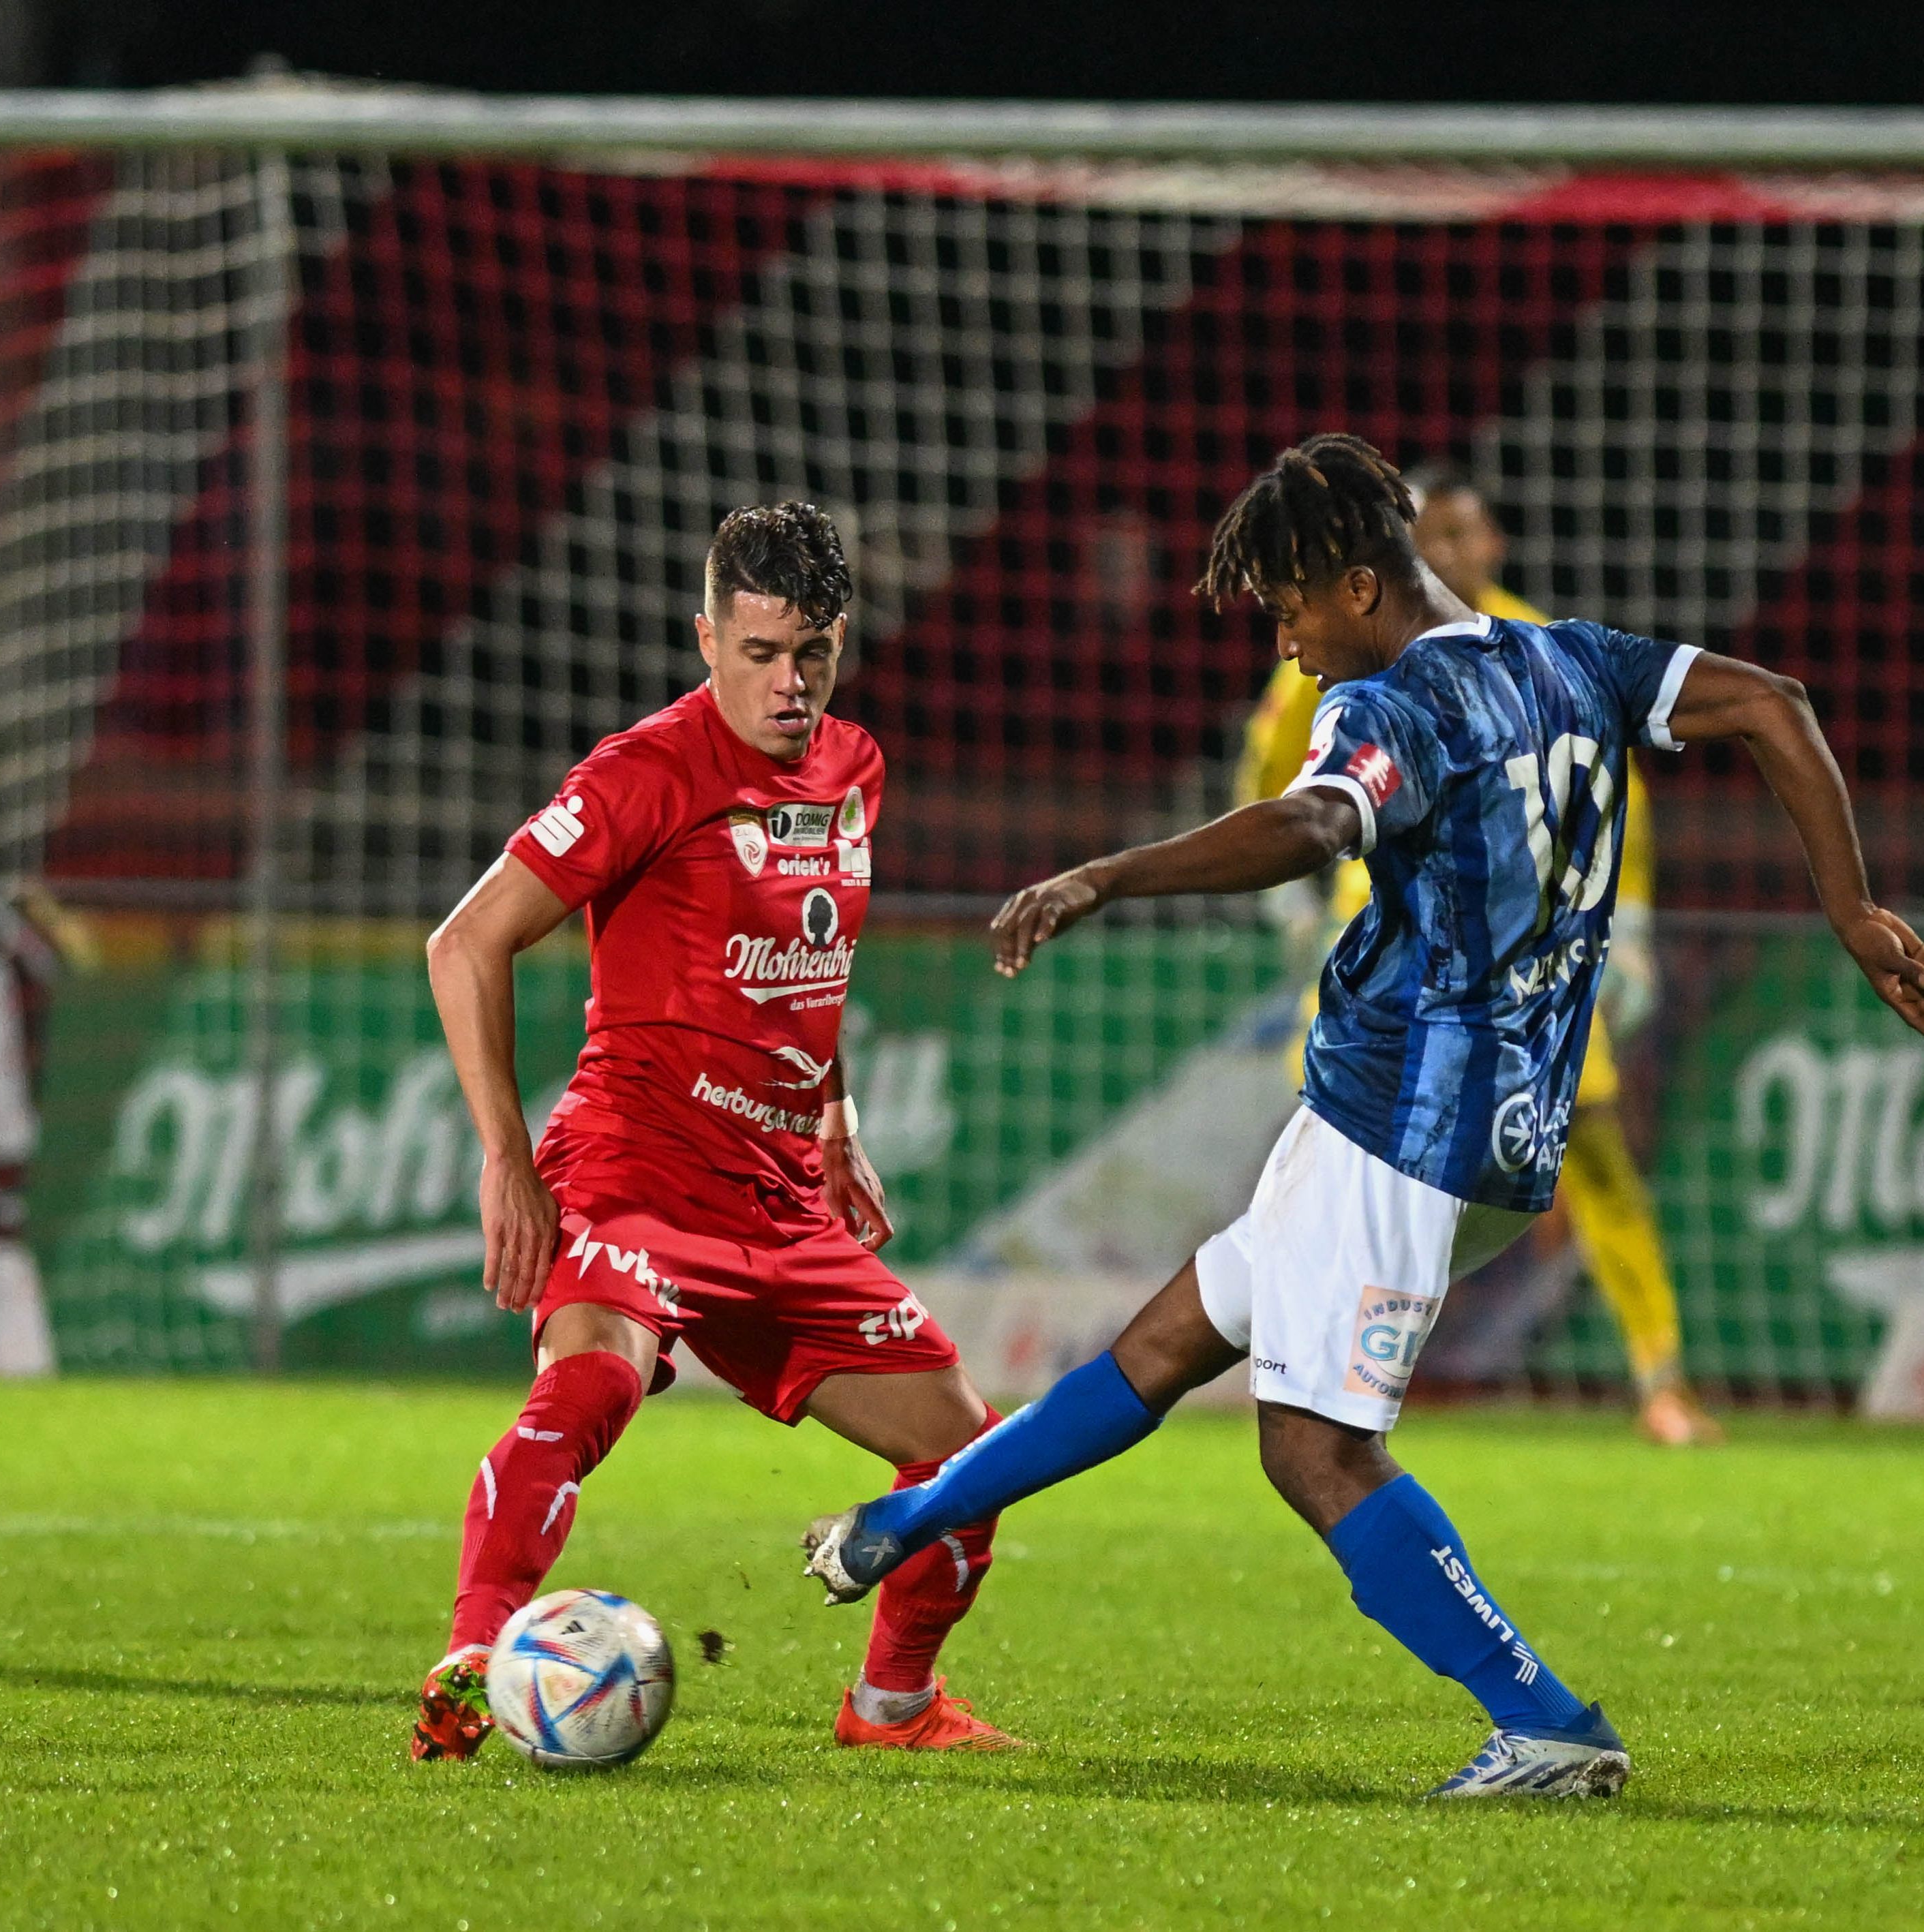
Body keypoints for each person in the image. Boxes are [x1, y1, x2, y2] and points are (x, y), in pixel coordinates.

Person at [801, 435, 1924, 1796]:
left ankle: (1548, 1721)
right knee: (1168, 1337)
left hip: (1404, 1119)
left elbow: (1317, 821)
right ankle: (904, 1518)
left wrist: (1106, 874)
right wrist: (1855, 909)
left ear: (1357, 582)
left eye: (1288, 608)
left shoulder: (1397, 704)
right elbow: (1773, 702)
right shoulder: (1569, 659)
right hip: (1497, 1132)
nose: (1285, 643)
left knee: (1314, 1446)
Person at [412, 504, 1021, 1759]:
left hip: (776, 1192)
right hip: (634, 1160)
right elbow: (463, 942)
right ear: (706, 638)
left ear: (842, 643)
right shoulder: (645, 771)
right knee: (590, 1381)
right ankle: (477, 1658)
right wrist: (507, 1163)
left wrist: (835, 1116)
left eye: (811, 653)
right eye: (758, 655)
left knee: (968, 1451)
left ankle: (892, 1708)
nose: (788, 684)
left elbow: (812, 959)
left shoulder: (856, 768)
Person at [1231, 463, 1717, 1445]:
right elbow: (1271, 772)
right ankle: (1312, 1368)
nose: (1446, 553)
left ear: (1491, 545)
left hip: (1531, 951)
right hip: (1387, 954)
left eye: (1462, 535)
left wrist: (1632, 925)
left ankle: (1662, 1381)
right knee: (1345, 1156)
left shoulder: (1541, 648)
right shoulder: (1338, 651)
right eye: (1427, 536)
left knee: (1597, 1148)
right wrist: (1288, 895)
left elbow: (1614, 785)